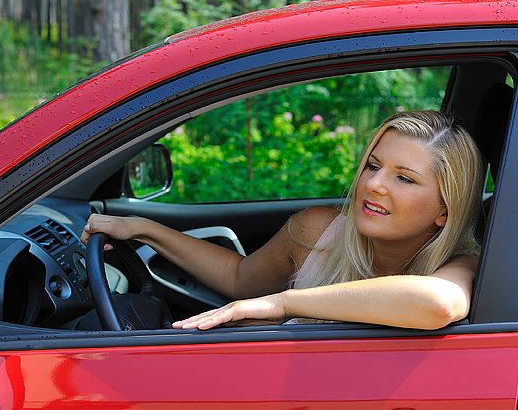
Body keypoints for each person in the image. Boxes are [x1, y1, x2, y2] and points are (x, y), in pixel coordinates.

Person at [81, 110, 486, 331]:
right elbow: (241, 279)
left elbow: (436, 304)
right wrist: (146, 229)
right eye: (373, 166)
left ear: (443, 211)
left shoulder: (460, 265)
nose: (373, 185)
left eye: (404, 178)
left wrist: (283, 303)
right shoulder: (317, 231)